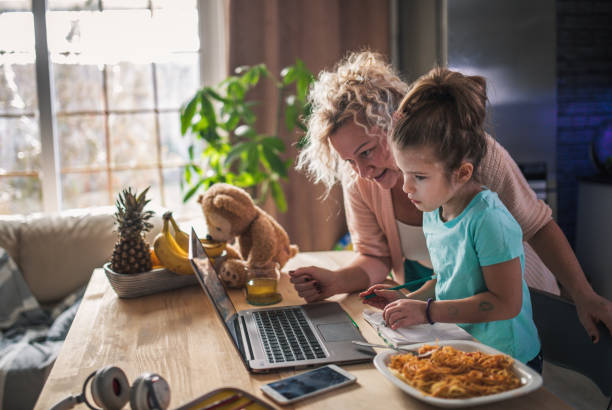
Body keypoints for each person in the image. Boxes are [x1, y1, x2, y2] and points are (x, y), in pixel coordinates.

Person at [289, 50, 612, 343]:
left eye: (367, 151)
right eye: (349, 161)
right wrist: (336, 281)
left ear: (394, 123)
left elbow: (537, 227)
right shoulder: (363, 178)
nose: (361, 171)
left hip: (515, 320)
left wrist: (584, 295)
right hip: (455, 322)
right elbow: (383, 258)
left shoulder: (466, 156)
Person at [360, 67, 542, 369]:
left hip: (508, 361)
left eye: (418, 176)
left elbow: (505, 303)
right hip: (465, 350)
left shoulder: (489, 221)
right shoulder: (436, 211)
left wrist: (428, 312)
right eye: (404, 172)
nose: (405, 187)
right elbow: (449, 282)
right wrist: (408, 301)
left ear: (462, 173)